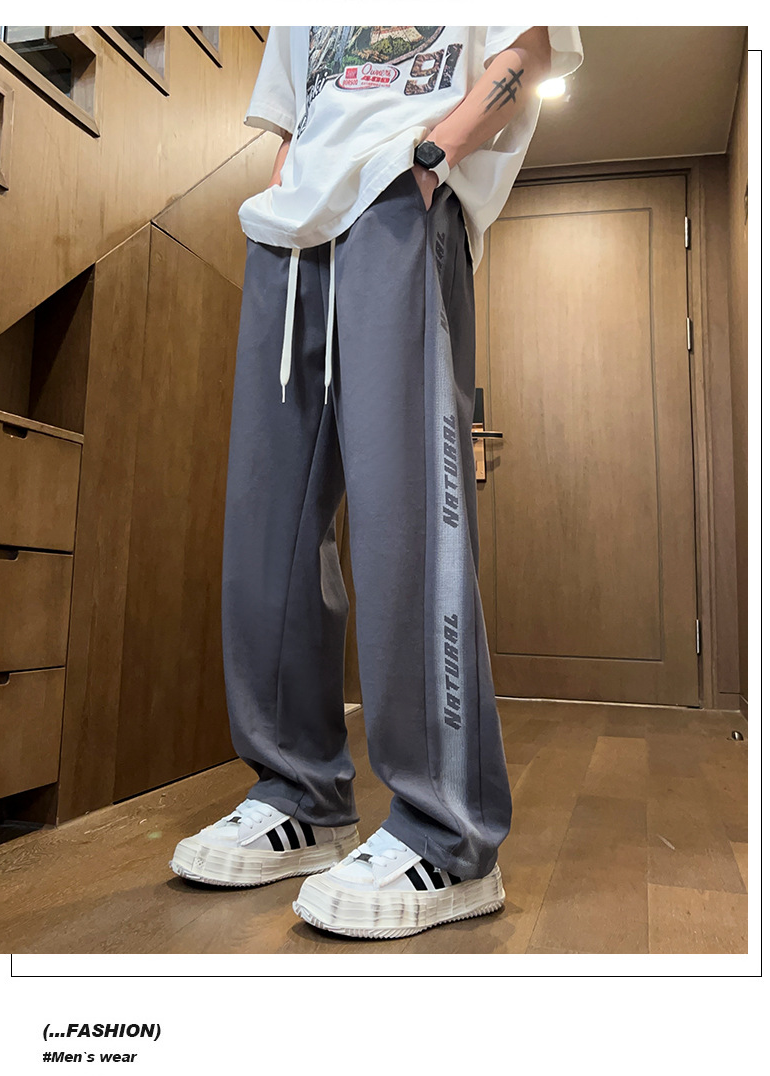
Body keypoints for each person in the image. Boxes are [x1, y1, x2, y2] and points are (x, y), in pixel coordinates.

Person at [171, 25, 584, 939]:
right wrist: (288, 192)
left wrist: (431, 159)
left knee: (407, 518)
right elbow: (294, 115)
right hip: (289, 235)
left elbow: (525, 55)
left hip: (400, 197)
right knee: (268, 527)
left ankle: (448, 835)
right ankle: (302, 796)